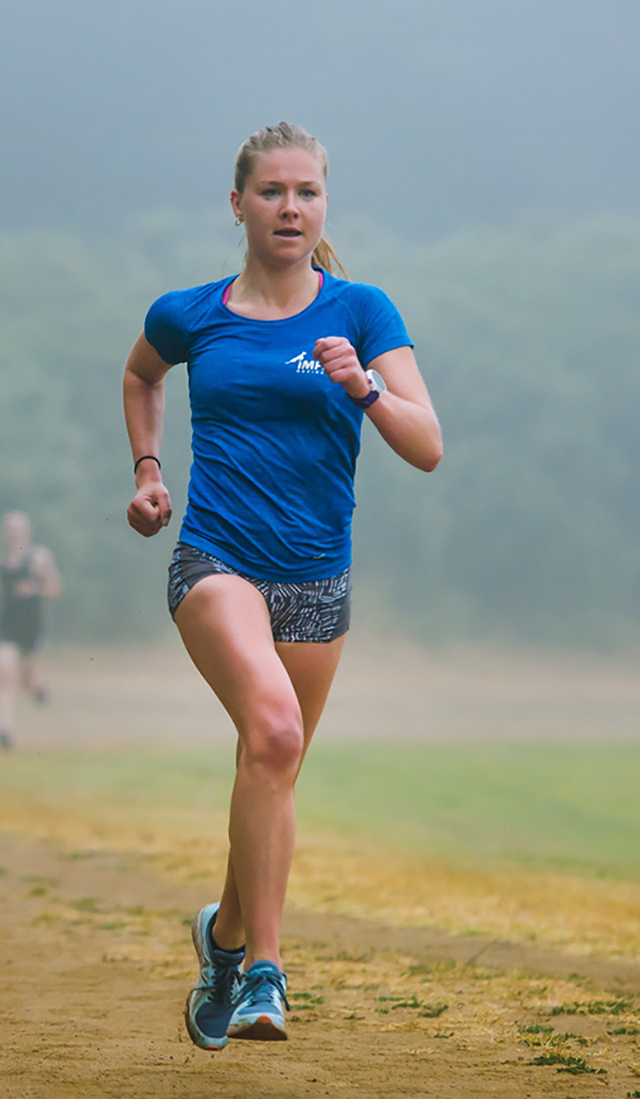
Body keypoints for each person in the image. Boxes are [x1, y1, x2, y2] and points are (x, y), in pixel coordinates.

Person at [121, 122, 441, 1048]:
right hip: (216, 558)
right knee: (272, 729)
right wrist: (147, 470)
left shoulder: (361, 310)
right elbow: (141, 374)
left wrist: (367, 392)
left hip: (316, 577)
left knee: (272, 766)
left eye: (306, 192)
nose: (289, 207)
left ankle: (220, 937)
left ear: (324, 205)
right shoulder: (192, 312)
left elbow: (427, 447)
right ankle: (264, 970)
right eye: (271, 192)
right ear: (237, 206)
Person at [0, 510, 62, 752]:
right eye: (10, 530)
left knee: (27, 679)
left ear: (26, 531)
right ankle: (4, 729)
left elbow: (55, 588)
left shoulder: (39, 558)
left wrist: (34, 588)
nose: (13, 534)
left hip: (30, 625)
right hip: (6, 624)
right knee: (4, 674)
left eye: (18, 529)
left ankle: (39, 690)